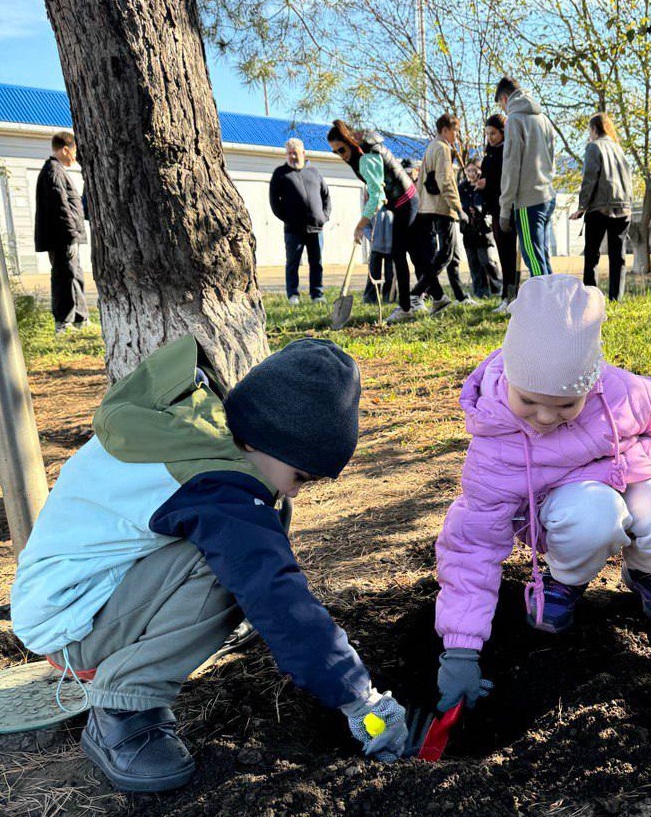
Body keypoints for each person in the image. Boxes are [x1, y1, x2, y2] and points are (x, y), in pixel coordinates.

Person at [11, 336, 409, 792]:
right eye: (300, 476)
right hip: (73, 632)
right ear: (264, 440)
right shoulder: (212, 488)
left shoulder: (195, 436)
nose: (298, 490)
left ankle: (140, 663)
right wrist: (359, 698)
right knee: (235, 563)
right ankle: (124, 707)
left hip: (77, 604)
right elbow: (275, 594)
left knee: (260, 524)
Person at [431, 275, 651, 711]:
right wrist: (461, 648)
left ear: (592, 381)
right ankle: (564, 581)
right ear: (509, 376)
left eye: (566, 405)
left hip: (635, 475)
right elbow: (473, 542)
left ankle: (647, 569)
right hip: (568, 509)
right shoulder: (495, 444)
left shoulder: (624, 394)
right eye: (529, 401)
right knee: (592, 516)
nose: (545, 417)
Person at [327, 120, 428, 324]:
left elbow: (377, 196)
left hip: (405, 201)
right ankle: (432, 299)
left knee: (403, 255)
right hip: (403, 201)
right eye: (335, 152)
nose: (340, 155)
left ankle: (409, 306)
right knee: (412, 254)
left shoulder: (366, 159)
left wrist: (361, 224)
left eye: (341, 149)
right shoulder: (361, 157)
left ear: (349, 142)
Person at [495, 77, 557, 279]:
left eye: (500, 105)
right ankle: (552, 303)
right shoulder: (543, 118)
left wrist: (505, 207)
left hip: (528, 201)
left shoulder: (515, 120)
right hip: (547, 195)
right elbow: (552, 157)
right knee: (542, 256)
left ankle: (543, 308)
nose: (503, 111)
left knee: (533, 259)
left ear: (505, 99)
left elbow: (511, 166)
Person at [570, 113, 633, 301]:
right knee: (618, 256)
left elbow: (589, 177)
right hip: (623, 207)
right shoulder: (619, 149)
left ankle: (591, 298)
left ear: (594, 129)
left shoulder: (593, 147)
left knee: (592, 255)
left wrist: (582, 206)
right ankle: (616, 297)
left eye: (590, 131)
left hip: (600, 207)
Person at [416, 112, 473, 313]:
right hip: (442, 208)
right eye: (455, 132)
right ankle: (416, 294)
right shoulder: (442, 148)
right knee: (445, 254)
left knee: (451, 254)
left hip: (429, 207)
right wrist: (458, 208)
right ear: (445, 130)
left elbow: (421, 180)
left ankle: (459, 296)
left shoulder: (431, 147)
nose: (456, 137)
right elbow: (446, 181)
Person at [34, 131, 89, 333]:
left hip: (66, 236)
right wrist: (72, 237)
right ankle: (64, 321)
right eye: (73, 151)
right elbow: (61, 208)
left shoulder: (56, 170)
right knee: (64, 277)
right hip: (62, 237)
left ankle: (80, 318)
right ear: (65, 149)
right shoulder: (53, 171)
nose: (75, 156)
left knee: (75, 275)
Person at [269, 138, 332, 305]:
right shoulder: (280, 174)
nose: (292, 157)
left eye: (295, 153)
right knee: (293, 263)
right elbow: (274, 201)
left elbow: (326, 196)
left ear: (303, 153)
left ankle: (317, 294)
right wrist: (289, 218)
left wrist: (324, 216)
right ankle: (293, 295)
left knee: (316, 263)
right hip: (293, 230)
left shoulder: (314, 172)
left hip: (316, 228)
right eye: (289, 154)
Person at [478, 114, 519, 312]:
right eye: (487, 134)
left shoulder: (506, 152)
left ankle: (511, 295)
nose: (490, 138)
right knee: (503, 254)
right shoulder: (490, 154)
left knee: (509, 254)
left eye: (493, 133)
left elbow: (507, 180)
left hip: (508, 208)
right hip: (494, 209)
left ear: (503, 132)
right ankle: (507, 295)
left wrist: (489, 183)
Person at [459, 160, 502, 299]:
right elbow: (461, 204)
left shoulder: (484, 186)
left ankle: (498, 287)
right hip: (468, 228)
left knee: (486, 260)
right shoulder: (463, 187)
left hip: (483, 228)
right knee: (473, 262)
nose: (472, 174)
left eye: (474, 170)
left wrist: (479, 208)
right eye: (469, 171)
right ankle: (480, 292)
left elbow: (488, 203)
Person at [362, 206, 395, 305]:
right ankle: (370, 299)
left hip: (391, 249)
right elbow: (365, 225)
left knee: (390, 275)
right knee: (373, 274)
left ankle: (389, 297)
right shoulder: (372, 206)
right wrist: (369, 235)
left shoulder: (394, 206)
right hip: (375, 247)